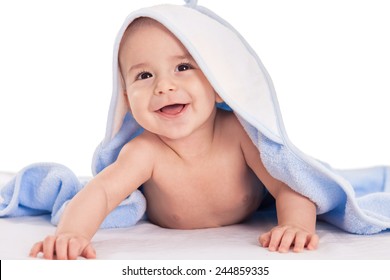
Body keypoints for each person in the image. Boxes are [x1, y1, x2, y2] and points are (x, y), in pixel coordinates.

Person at [29, 17, 318, 260]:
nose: (164, 86)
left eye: (182, 67)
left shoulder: (239, 135)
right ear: (127, 101)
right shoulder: (145, 152)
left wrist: (294, 225)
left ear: (219, 84)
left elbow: (288, 185)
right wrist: (72, 234)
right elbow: (101, 192)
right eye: (144, 75)